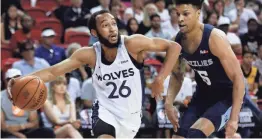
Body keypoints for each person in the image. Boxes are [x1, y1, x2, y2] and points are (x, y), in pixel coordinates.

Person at [8, 10, 181, 138]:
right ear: (94, 33)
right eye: (105, 26)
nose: (112, 29)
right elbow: (54, 71)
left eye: (113, 23)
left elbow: (174, 47)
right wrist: (22, 81)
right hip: (105, 112)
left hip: (132, 116)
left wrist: (160, 78)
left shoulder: (132, 44)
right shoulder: (89, 54)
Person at [163, 0, 245, 138]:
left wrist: (234, 119)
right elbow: (177, 75)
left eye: (185, 14)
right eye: (178, 14)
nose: (180, 19)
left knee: (196, 134)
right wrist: (169, 103)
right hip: (203, 95)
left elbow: (238, 78)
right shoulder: (176, 42)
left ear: (198, 14)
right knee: (178, 136)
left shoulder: (214, 38)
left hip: (227, 96)